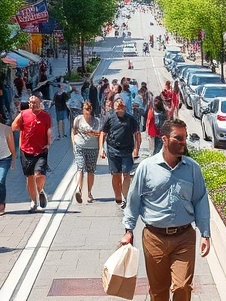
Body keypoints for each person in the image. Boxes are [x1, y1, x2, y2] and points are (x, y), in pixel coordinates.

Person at [120, 119, 210, 301]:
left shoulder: (193, 169)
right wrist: (129, 231)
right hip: (154, 238)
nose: (183, 142)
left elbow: (200, 200)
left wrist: (205, 233)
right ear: (165, 139)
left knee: (182, 287)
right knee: (158, 291)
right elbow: (133, 200)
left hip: (184, 237)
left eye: (184, 138)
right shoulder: (146, 168)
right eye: (178, 138)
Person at [12, 95, 53, 212]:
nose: (32, 105)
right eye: (30, 103)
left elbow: (49, 131)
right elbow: (14, 126)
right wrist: (19, 123)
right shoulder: (24, 114)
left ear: (40, 103)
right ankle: (34, 202)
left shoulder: (46, 116)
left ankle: (40, 191)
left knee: (39, 175)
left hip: (41, 150)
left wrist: (49, 144)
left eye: (35, 102)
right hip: (26, 150)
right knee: (29, 177)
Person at [99, 99, 140, 208]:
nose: (118, 112)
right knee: (116, 174)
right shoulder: (110, 117)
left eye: (120, 110)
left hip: (127, 150)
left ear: (124, 108)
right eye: (117, 110)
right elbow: (103, 133)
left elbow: (137, 134)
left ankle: (125, 196)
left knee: (126, 173)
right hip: (113, 149)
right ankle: (117, 195)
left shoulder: (131, 119)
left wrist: (136, 148)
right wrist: (101, 149)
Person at [71, 102, 102, 204]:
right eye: (85, 109)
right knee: (80, 167)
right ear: (83, 110)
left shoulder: (96, 121)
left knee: (90, 171)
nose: (87, 112)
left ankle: (88, 192)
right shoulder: (78, 119)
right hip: (80, 147)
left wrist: (100, 147)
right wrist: (73, 143)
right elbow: (73, 131)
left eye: (89, 109)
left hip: (93, 148)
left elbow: (100, 134)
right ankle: (79, 190)